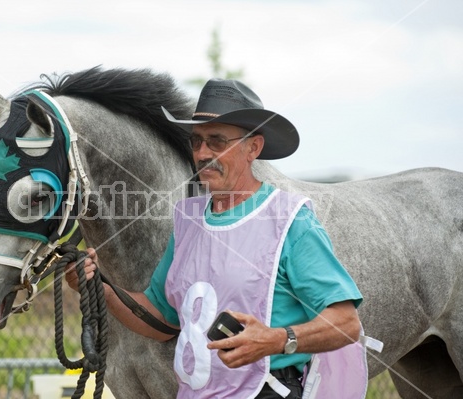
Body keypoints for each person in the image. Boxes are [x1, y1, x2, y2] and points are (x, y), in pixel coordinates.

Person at [65, 78, 364, 399]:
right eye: (196, 142)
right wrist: (100, 288)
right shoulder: (187, 220)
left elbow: (346, 324)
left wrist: (278, 339)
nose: (203, 153)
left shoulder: (290, 219)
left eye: (217, 142)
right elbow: (161, 319)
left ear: (254, 147)